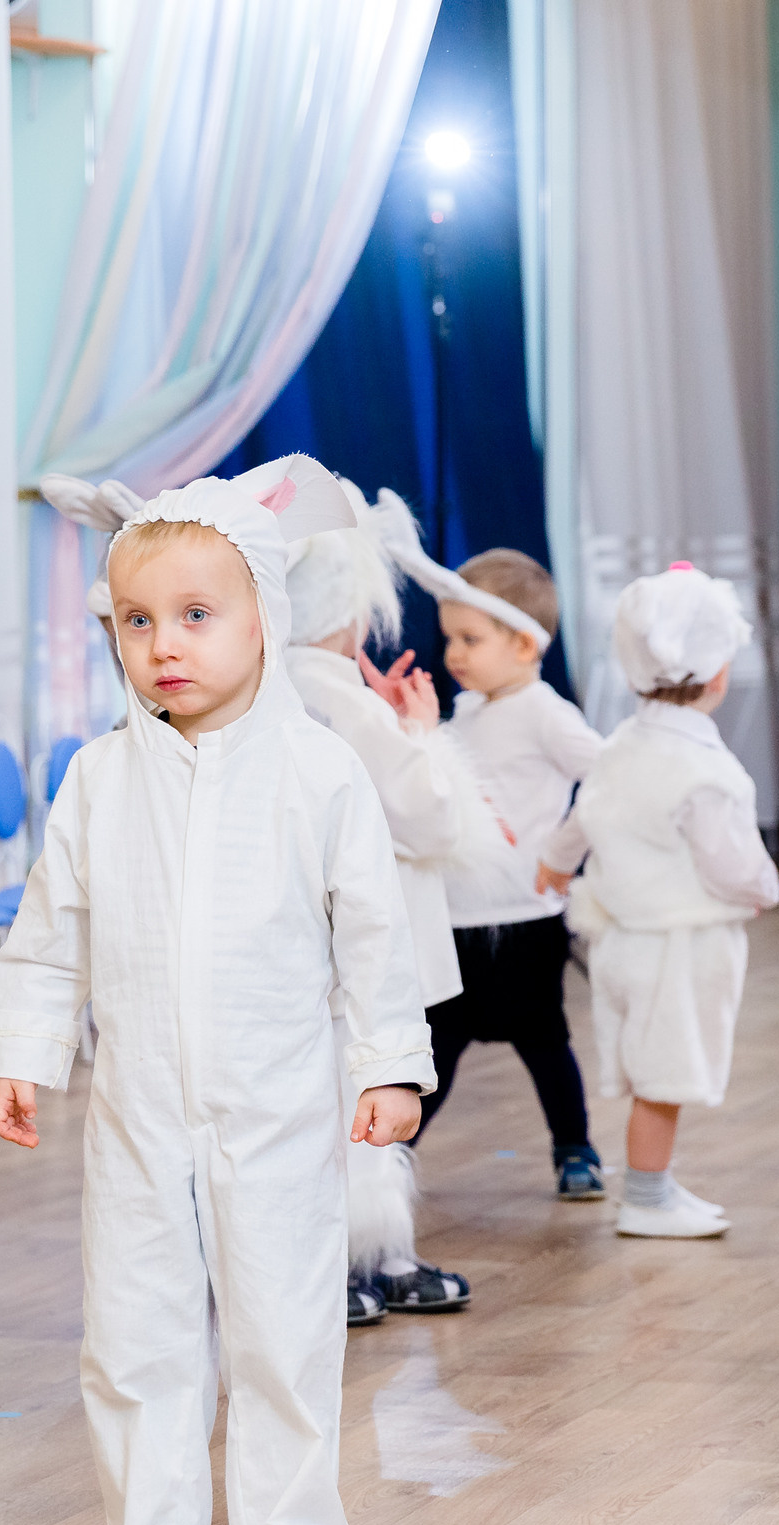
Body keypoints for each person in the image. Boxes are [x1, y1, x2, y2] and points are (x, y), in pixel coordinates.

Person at [0, 454, 432, 1525]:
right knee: (132, 1318)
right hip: (137, 1110)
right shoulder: (96, 780)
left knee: (283, 1325)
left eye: (195, 615)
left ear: (264, 621)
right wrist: (25, 1050)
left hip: (279, 1107)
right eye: (136, 621)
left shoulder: (318, 773)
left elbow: (374, 936)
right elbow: (49, 929)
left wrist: (389, 1063)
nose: (162, 644)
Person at [285, 485, 508, 1321]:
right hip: (368, 947)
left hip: (320, 946)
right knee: (366, 1101)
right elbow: (433, 814)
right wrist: (421, 731)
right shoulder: (338, 695)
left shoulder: (288, 689)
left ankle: (371, 1255)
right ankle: (358, 1260)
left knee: (346, 1102)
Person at [533, 564, 779, 1238]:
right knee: (665, 1073)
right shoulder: (708, 770)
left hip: (623, 938)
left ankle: (660, 1184)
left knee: (653, 1067)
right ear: (719, 673)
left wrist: (554, 863)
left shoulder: (619, 747)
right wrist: (764, 888)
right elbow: (729, 859)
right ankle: (645, 1195)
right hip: (679, 942)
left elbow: (582, 819)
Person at [419, 547, 607, 1198]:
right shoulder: (467, 712)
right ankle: (393, 1155)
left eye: (470, 639)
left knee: (545, 1040)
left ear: (526, 644)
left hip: (525, 919)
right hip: (457, 917)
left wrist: (563, 850)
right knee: (437, 1044)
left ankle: (575, 1148)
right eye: (451, 639)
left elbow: (610, 776)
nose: (455, 654)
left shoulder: (545, 713)